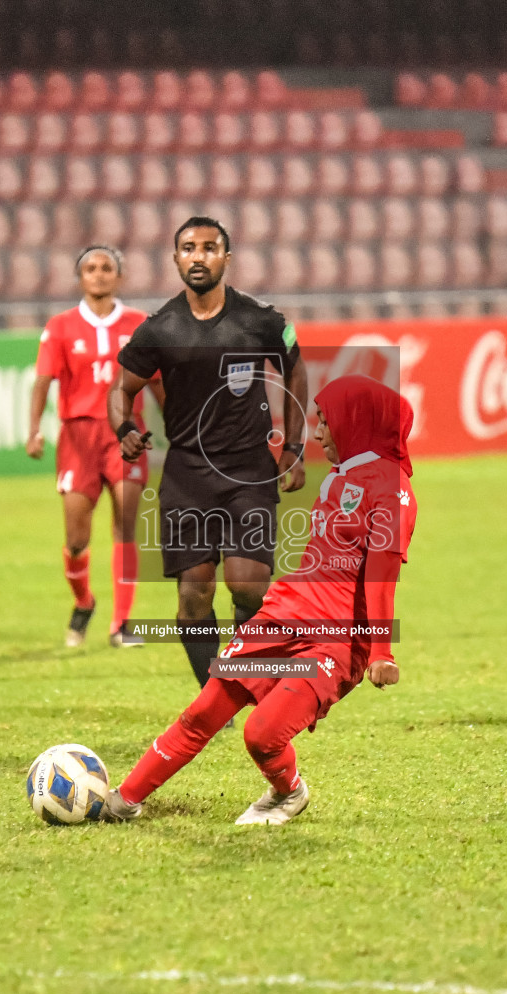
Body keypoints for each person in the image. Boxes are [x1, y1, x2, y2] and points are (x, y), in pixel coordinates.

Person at [102, 375, 416, 825]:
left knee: (262, 733)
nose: (320, 433)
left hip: (336, 638)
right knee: (203, 710)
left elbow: (383, 577)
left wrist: (381, 651)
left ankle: (289, 791)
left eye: (327, 422)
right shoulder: (342, 477)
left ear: (357, 421)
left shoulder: (393, 488)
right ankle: (122, 800)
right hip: (285, 611)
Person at [109, 216, 309, 689]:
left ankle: (248, 678)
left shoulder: (261, 320)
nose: (198, 256)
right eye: (188, 248)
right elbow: (122, 388)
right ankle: (215, 694)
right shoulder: (159, 328)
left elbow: (295, 373)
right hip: (187, 474)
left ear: (226, 257)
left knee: (248, 586)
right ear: (176, 258)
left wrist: (295, 448)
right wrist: (123, 426)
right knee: (194, 596)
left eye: (209, 247)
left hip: (247, 470)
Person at [27, 245, 161, 647]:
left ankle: (121, 624)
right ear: (79, 277)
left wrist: (181, 431)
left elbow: (157, 384)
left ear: (119, 277)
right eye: (90, 268)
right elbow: (43, 381)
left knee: (125, 522)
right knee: (76, 538)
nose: (98, 274)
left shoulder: (140, 324)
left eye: (106, 268)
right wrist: (34, 429)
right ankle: (84, 602)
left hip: (126, 435)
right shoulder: (61, 326)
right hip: (77, 438)